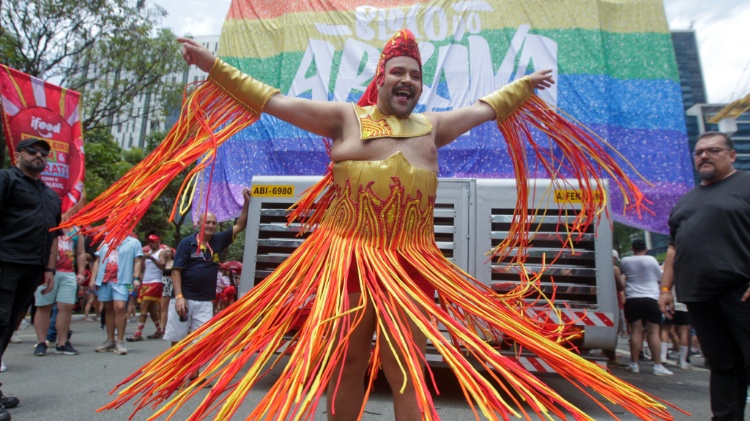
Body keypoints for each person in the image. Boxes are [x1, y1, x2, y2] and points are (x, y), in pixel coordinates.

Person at [102, 31, 672, 421]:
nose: (405, 80)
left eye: (414, 75)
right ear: (380, 78)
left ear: (419, 85)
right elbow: (271, 99)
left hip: (411, 264)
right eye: (397, 72)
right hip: (349, 260)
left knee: (405, 360)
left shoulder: (433, 127)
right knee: (350, 356)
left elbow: (486, 108)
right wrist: (212, 66)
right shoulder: (343, 117)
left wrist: (521, 88)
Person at [659, 131, 750, 420]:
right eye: (699, 152)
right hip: (699, 296)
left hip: (740, 291)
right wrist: (664, 290)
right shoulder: (687, 201)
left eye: (713, 150)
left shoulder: (746, 184)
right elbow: (673, 249)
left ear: (731, 155)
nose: (704, 156)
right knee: (722, 366)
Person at [0, 138, 61, 419]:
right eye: (32, 151)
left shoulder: (50, 196)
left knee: (9, 324)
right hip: (5, 262)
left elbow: (52, 237)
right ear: (17, 154)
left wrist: (49, 270)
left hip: (32, 269)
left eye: (44, 153)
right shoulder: (6, 179)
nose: (39, 155)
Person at [164, 191, 250, 349]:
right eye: (207, 222)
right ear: (198, 224)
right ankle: (176, 373)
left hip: (204, 301)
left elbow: (240, 225)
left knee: (201, 341)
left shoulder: (218, 240)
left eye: (213, 223)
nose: (211, 226)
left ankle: (193, 373)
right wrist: (179, 297)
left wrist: (246, 202)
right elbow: (176, 271)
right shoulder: (187, 243)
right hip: (185, 298)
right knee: (178, 339)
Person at [621, 239, 673, 376]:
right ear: (646, 248)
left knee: (636, 331)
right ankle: (657, 365)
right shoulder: (651, 260)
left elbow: (624, 275)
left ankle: (634, 364)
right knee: (653, 332)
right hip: (651, 298)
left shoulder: (625, 260)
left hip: (632, 298)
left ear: (632, 248)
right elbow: (659, 277)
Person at [32, 227, 87, 356]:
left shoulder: (76, 230)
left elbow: (80, 252)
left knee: (66, 306)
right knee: (44, 306)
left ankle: (62, 343)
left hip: (68, 273)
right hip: (47, 272)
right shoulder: (49, 223)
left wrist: (80, 272)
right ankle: (41, 342)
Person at [90, 234, 143, 355]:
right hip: (104, 280)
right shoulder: (105, 241)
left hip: (123, 280)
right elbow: (97, 261)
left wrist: (136, 278)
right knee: (108, 309)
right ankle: (110, 340)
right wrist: (93, 278)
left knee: (119, 308)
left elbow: (138, 260)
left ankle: (120, 341)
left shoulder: (133, 242)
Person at [127, 233, 166, 342]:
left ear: (158, 241)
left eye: (152, 242)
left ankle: (138, 333)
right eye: (149, 242)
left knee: (143, 307)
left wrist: (152, 259)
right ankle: (159, 330)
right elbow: (144, 268)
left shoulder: (161, 253)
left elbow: (163, 266)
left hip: (155, 282)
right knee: (151, 309)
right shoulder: (148, 253)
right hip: (145, 282)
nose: (150, 244)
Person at [159, 247, 174, 332]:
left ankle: (170, 325)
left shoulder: (174, 263)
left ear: (172, 254)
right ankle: (162, 327)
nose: (167, 253)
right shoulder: (162, 264)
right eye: (166, 251)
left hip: (171, 283)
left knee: (171, 306)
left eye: (169, 251)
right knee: (163, 307)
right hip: (164, 283)